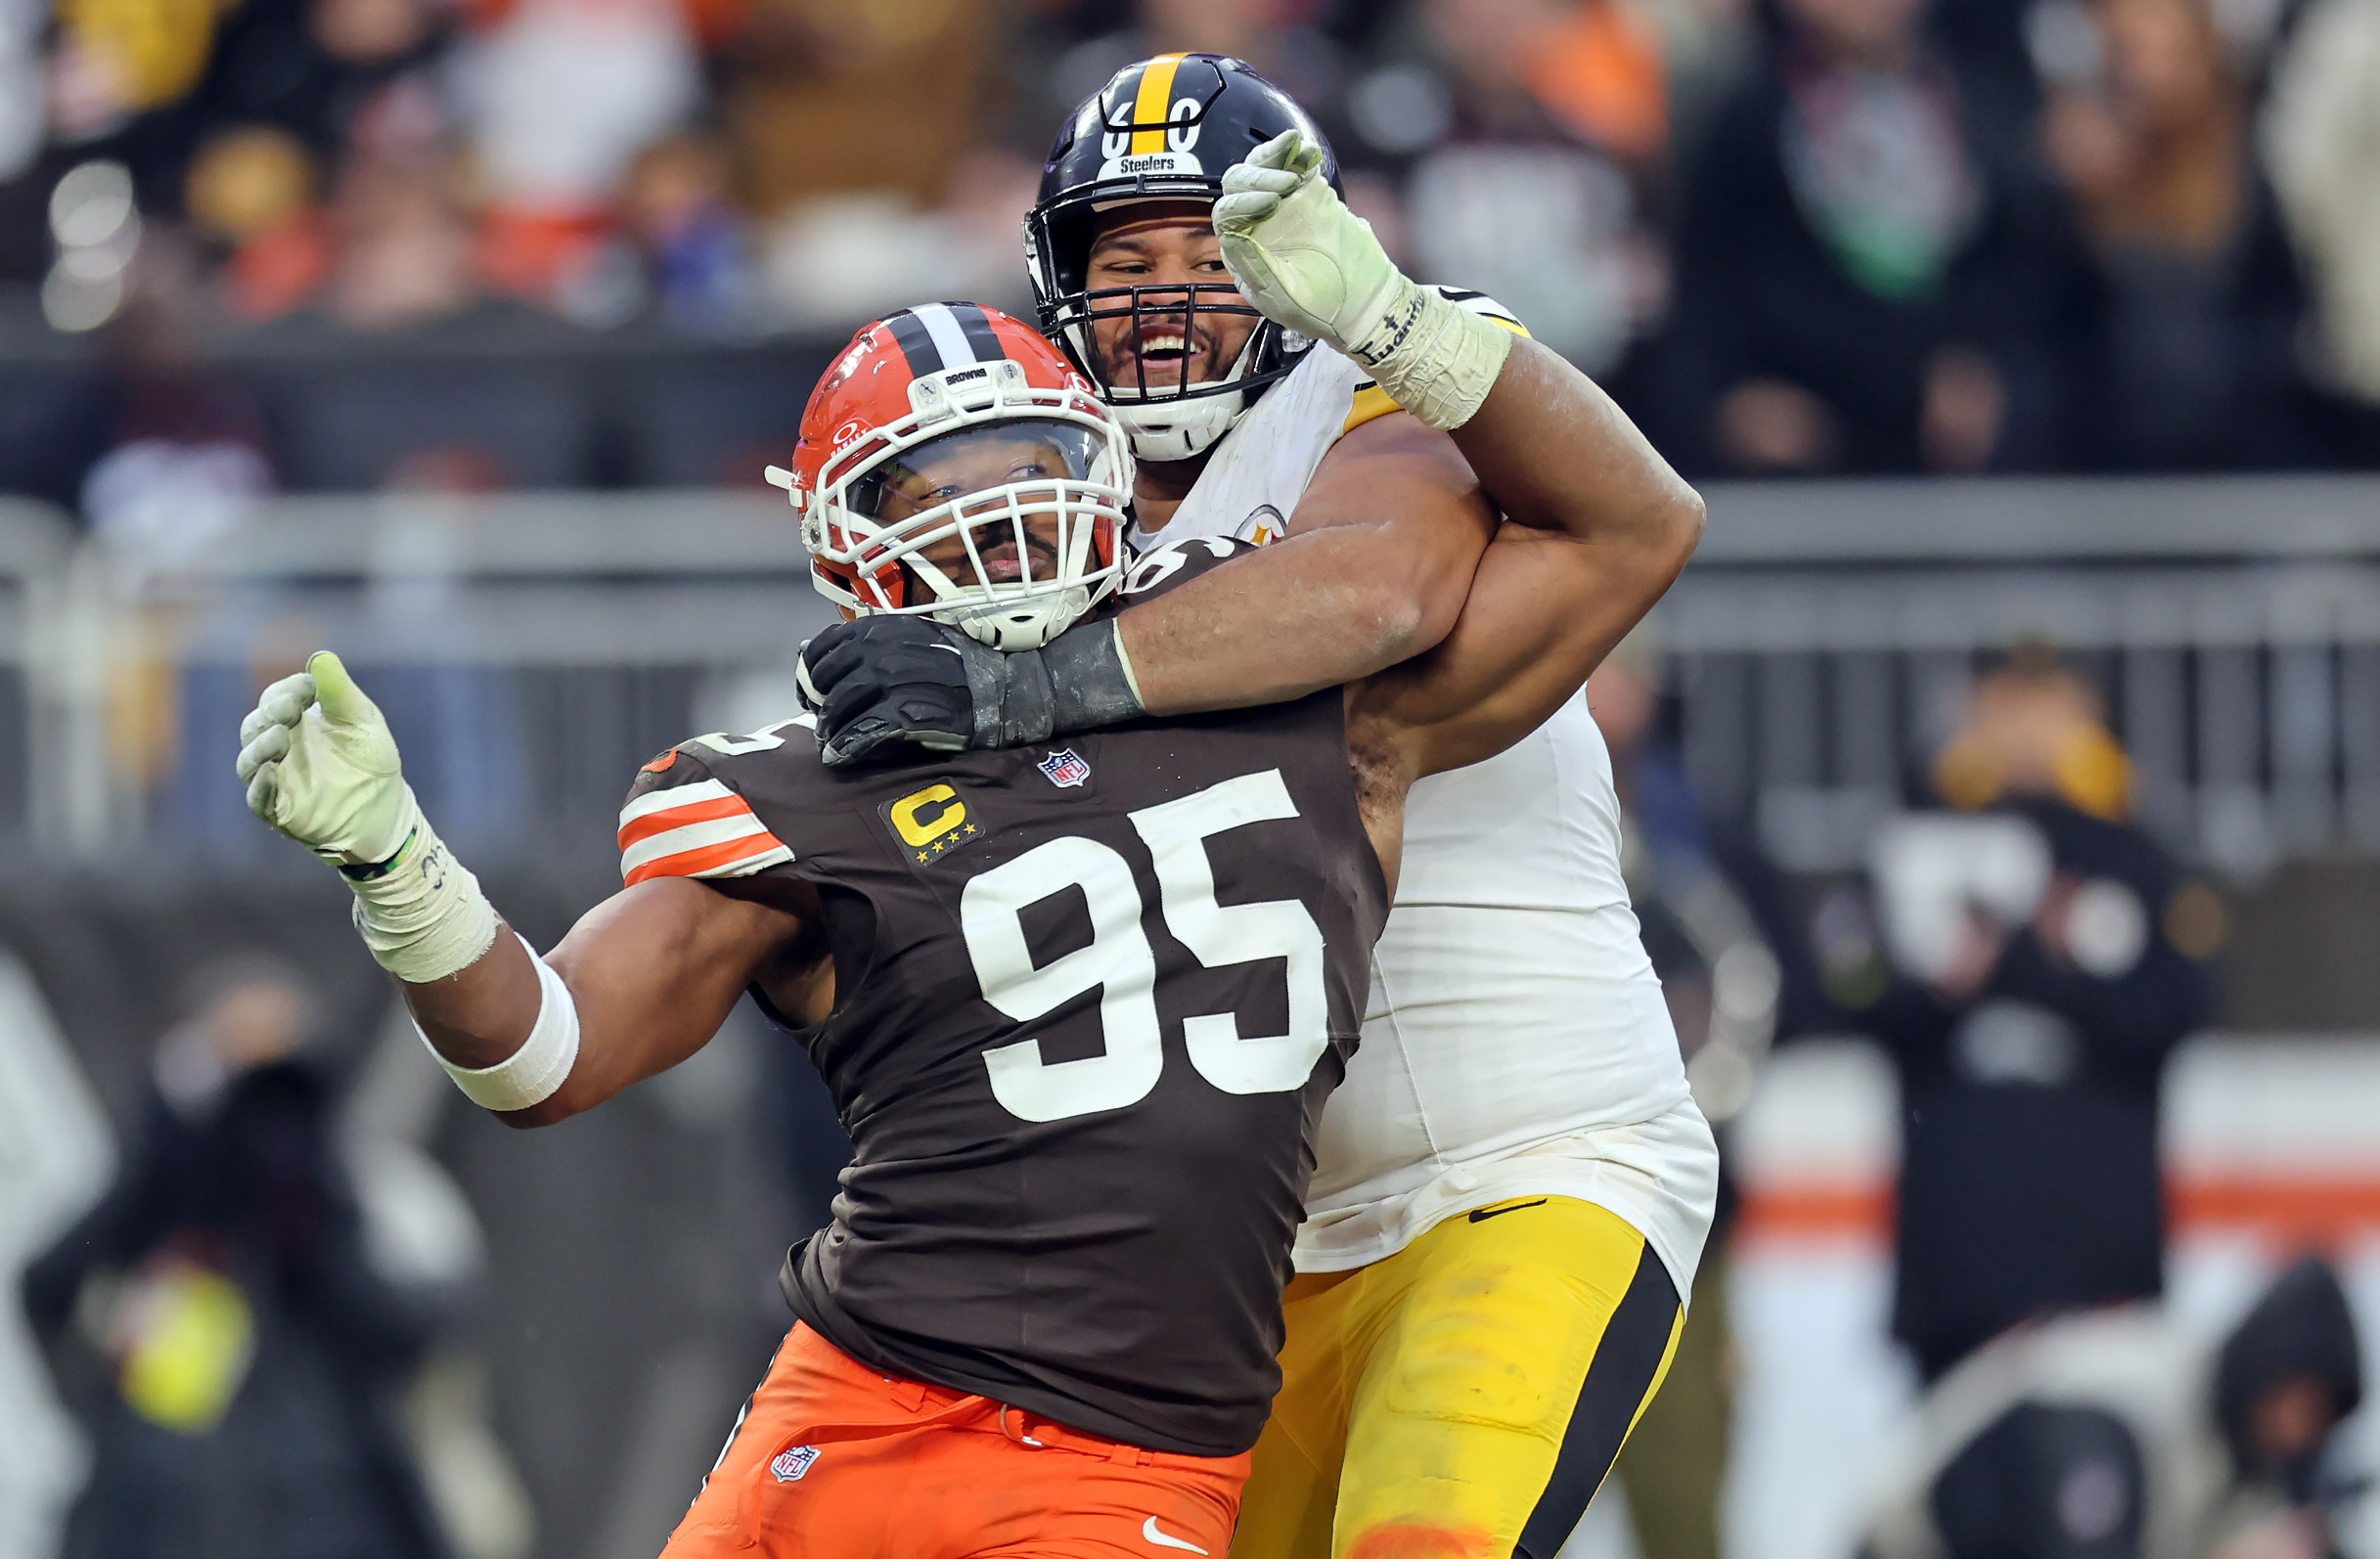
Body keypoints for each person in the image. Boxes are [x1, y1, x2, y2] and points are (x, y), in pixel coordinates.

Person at [230, 149, 1706, 1559]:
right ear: (835, 532)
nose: (993, 516)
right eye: (930, 486)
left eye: (1030, 461)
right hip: (862, 1387)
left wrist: (1396, 320)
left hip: (1134, 1438)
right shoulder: (803, 779)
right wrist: (398, 866)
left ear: (1104, 470)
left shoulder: (1294, 712)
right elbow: (541, 1058)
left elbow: (1625, 523)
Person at [795, 55, 1720, 1559]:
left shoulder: (1373, 393)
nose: (1165, 295)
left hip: (1521, 1170)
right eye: (1124, 258)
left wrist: (1034, 684)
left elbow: (1378, 590)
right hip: (1255, 1253)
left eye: (1208, 252)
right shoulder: (1058, 500)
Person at [1833, 649, 2217, 1381]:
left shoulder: (2140, 855)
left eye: (2046, 703)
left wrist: (2038, 966)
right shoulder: (1910, 838)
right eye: (2003, 702)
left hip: (2101, 1259)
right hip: (1957, 1260)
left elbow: (2181, 1008)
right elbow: (1846, 988)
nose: (2024, 729)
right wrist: (1945, 985)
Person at [20, 955, 448, 1559]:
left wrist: (315, 1204)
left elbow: (408, 1330)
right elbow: (46, 1287)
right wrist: (163, 1155)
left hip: (326, 1513)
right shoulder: (153, 1191)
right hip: (157, 1512)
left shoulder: (358, 1187)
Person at [1862, 1256, 2366, 1559]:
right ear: (2261, 1370)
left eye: (2319, 1419)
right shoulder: (2121, 1414)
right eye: (2294, 1404)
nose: (2297, 1430)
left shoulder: (2232, 1450)